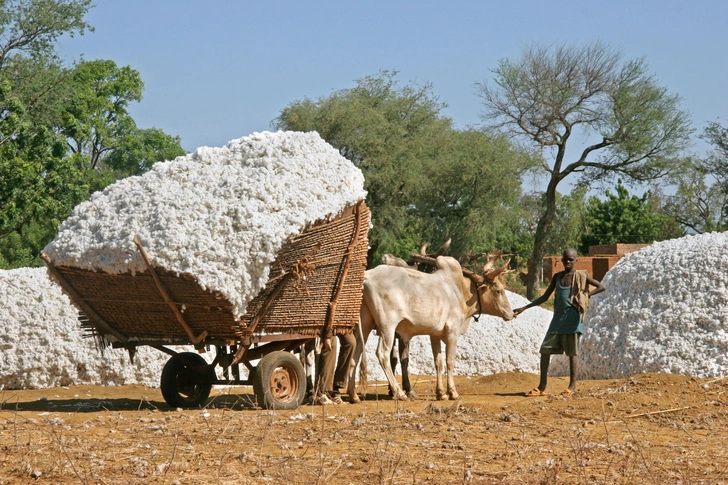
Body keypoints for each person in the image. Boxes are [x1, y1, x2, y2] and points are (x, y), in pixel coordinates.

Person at [513, 248, 605, 397]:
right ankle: (542, 387)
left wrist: (586, 295)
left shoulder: (580, 276)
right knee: (545, 350)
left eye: (571, 259)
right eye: (565, 259)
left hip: (572, 320)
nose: (568, 262)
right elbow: (544, 298)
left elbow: (601, 286)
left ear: (576, 261)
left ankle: (572, 386)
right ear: (562, 260)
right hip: (557, 321)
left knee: (572, 354)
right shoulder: (557, 277)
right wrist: (524, 307)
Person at [312, 331, 356, 404]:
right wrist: (327, 335)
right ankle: (323, 391)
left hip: (338, 323)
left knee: (351, 343)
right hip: (326, 324)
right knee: (331, 344)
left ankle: (336, 386)